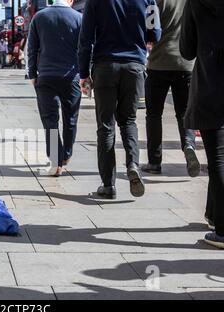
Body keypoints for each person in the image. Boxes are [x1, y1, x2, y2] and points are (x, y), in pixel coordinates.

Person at [78, 0, 162, 199]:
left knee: (106, 126)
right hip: (134, 66)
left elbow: (85, 39)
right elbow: (156, 33)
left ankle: (108, 185)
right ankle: (133, 164)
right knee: (129, 120)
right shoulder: (148, 0)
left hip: (105, 66)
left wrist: (83, 73)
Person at [180, 0, 224, 248]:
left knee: (218, 159)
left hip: (211, 85)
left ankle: (223, 230)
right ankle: (214, 214)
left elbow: (186, 49)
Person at [142, 0, 200, 177]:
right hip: (187, 64)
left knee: (153, 114)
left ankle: (154, 161)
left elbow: (150, 31)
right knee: (184, 112)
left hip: (159, 62)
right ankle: (189, 145)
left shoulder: (156, 1)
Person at [28, 0, 83, 177]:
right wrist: (85, 74)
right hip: (71, 77)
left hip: (46, 76)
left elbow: (32, 48)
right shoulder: (79, 18)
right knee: (71, 118)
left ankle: (55, 161)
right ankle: (66, 154)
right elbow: (85, 48)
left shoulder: (39, 17)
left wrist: (32, 73)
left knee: (49, 120)